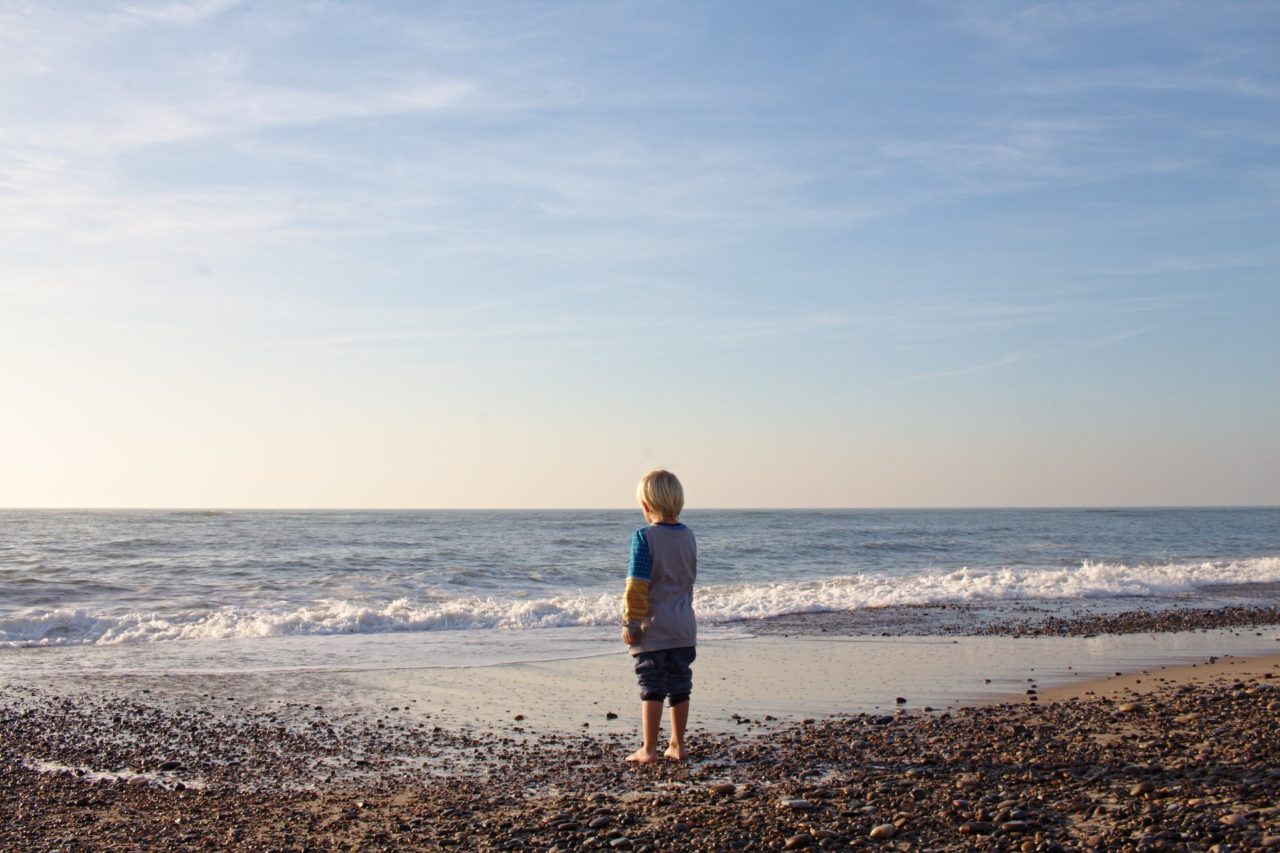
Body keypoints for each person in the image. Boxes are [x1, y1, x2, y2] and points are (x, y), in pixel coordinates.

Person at [621, 469, 697, 763]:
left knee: (651, 685)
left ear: (646, 506)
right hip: (684, 625)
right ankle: (677, 745)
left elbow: (637, 585)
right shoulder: (688, 536)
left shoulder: (644, 537)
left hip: (653, 627)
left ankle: (649, 748)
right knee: (680, 683)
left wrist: (630, 621)